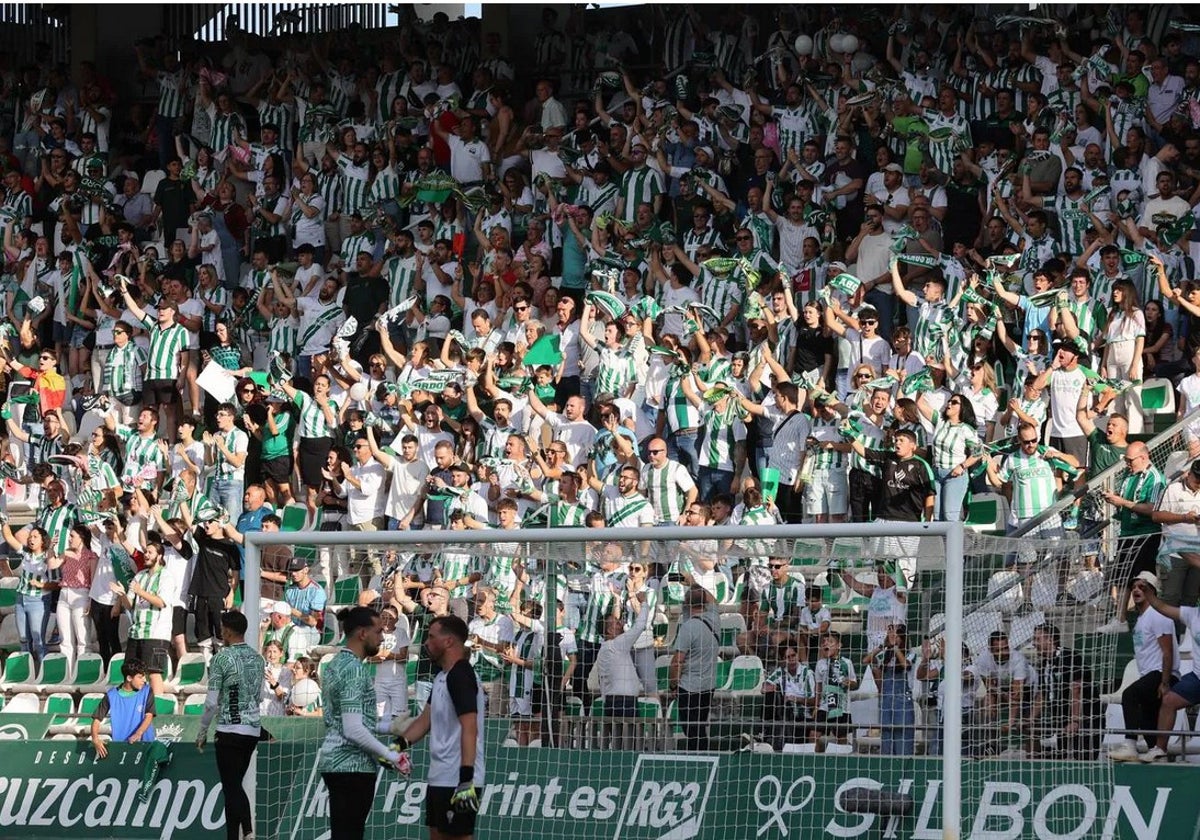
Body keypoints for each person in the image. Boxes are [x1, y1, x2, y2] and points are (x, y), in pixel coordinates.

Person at [318, 606, 409, 839]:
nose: (382, 638)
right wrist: (391, 756)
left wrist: (389, 727)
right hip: (352, 765)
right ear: (362, 634)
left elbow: (346, 721)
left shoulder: (335, 664)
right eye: (378, 632)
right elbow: (353, 729)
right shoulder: (355, 671)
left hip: (334, 762)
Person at [394, 614, 486, 840]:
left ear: (448, 642)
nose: (426, 642)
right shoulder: (441, 677)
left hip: (457, 779)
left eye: (431, 637)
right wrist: (397, 747)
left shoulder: (461, 675)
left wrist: (466, 779)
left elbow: (470, 727)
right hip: (439, 776)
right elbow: (425, 721)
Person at [196, 610, 267, 840]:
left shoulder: (221, 658)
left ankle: (247, 831)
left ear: (226, 630)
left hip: (229, 729)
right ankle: (238, 835)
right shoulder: (258, 658)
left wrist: (202, 731)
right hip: (252, 730)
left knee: (231, 786)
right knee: (234, 785)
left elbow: (210, 703)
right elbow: (258, 695)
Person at [1108, 572, 1180, 762]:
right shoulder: (1142, 618)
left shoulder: (1158, 615)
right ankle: (1159, 759)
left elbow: (1168, 652)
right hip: (1149, 674)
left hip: (1162, 674)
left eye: (1143, 587)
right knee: (1149, 724)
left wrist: (1165, 682)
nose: (1137, 590)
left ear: (1153, 592)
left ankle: (1130, 744)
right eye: (1134, 587)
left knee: (1129, 694)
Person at [89, 657, 173, 802]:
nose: (144, 680)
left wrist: (138, 733)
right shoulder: (111, 695)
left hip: (145, 746)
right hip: (123, 750)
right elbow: (96, 719)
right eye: (140, 677)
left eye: (144, 676)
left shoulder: (147, 691)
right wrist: (95, 738)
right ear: (129, 678)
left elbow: (148, 717)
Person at [669, 585, 719, 751]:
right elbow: (713, 600)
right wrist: (694, 581)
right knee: (700, 725)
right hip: (708, 685)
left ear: (687, 604)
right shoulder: (715, 618)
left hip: (689, 687)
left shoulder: (688, 628)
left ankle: (696, 759)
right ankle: (702, 757)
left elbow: (677, 661)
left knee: (691, 730)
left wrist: (673, 685)